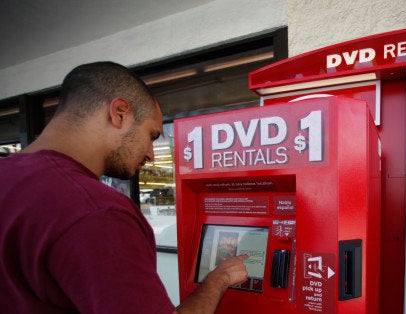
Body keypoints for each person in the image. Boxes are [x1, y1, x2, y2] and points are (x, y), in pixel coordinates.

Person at [0, 61, 248, 313]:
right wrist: (219, 279)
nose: (151, 154)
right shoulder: (96, 212)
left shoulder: (8, 176)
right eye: (151, 135)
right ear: (119, 113)